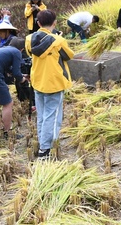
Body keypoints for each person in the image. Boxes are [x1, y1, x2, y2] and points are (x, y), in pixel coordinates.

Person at [25, 9, 74, 159]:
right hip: (54, 83)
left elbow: (30, 53)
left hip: (38, 82)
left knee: (42, 115)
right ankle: (45, 150)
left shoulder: (28, 39)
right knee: (52, 116)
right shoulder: (58, 41)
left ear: (38, 23)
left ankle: (43, 143)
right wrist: (57, 38)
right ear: (55, 23)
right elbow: (69, 55)